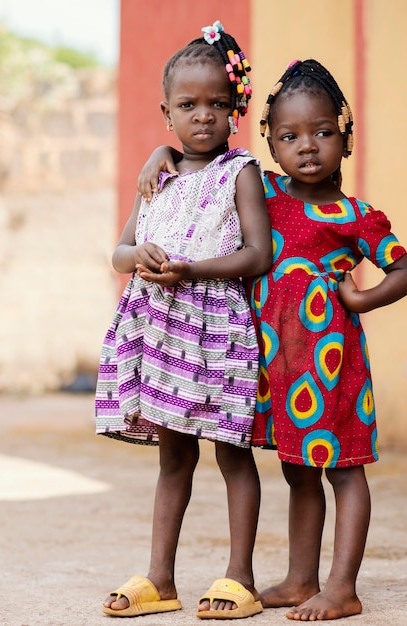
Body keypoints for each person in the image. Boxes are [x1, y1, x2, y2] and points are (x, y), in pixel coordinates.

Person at [137, 58, 407, 621]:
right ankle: (300, 577)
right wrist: (159, 155)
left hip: (332, 370)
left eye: (323, 132)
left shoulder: (356, 217)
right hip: (276, 371)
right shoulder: (265, 195)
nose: (307, 146)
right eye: (290, 136)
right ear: (270, 143)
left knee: (344, 469)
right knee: (296, 469)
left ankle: (342, 586)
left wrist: (359, 300)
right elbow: (204, 165)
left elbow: (403, 269)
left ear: (345, 137)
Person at [95, 20, 272, 620]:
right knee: (174, 459)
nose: (204, 116)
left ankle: (240, 577)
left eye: (218, 104)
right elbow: (119, 252)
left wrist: (195, 270)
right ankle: (160, 578)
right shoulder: (158, 175)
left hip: (216, 335)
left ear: (234, 110)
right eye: (189, 105)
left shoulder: (239, 171)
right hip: (162, 337)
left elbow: (257, 252)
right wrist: (137, 259)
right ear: (166, 112)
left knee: (231, 454)